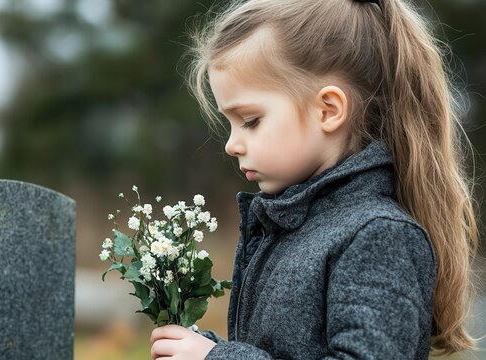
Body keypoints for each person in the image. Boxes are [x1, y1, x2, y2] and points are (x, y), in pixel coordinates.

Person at [149, 0, 481, 359]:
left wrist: (218, 358)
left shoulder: (379, 236)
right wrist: (210, 348)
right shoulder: (292, 227)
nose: (231, 145)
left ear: (328, 110)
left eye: (250, 120)